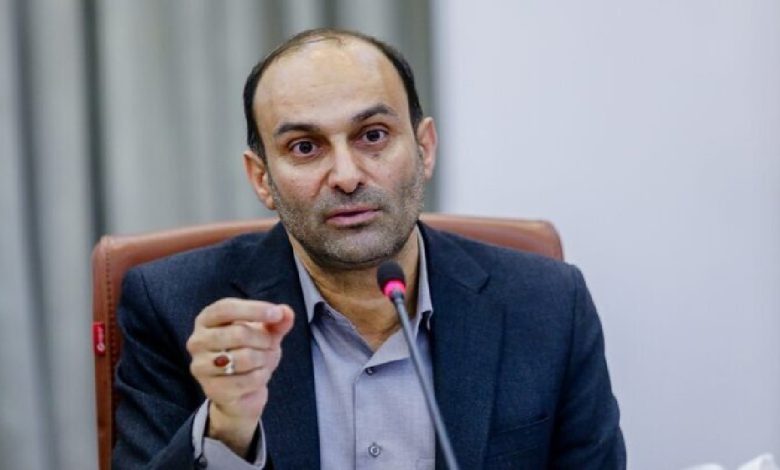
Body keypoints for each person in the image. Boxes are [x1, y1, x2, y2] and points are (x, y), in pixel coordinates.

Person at [112, 28, 626, 469]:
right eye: (305, 147)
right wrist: (227, 427)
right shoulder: (177, 308)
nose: (346, 175)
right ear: (262, 178)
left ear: (424, 149)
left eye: (373, 136)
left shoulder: (548, 304)